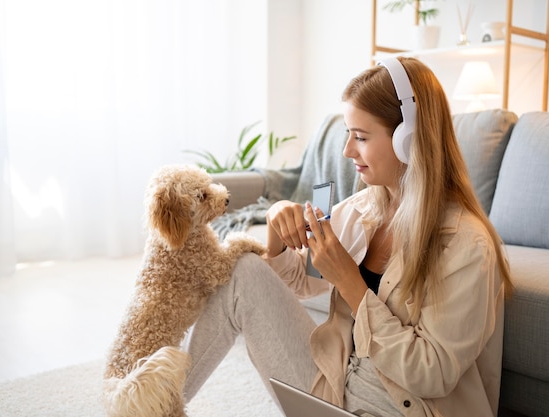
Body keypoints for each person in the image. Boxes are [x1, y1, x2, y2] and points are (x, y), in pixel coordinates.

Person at [182, 56, 513, 417]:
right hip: (335, 384)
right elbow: (297, 280)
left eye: (361, 137)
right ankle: (156, 403)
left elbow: (431, 373)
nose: (347, 151)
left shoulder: (466, 245)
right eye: (347, 135)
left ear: (409, 139)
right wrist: (277, 229)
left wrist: (352, 284)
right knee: (243, 271)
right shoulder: (362, 210)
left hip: (402, 407)